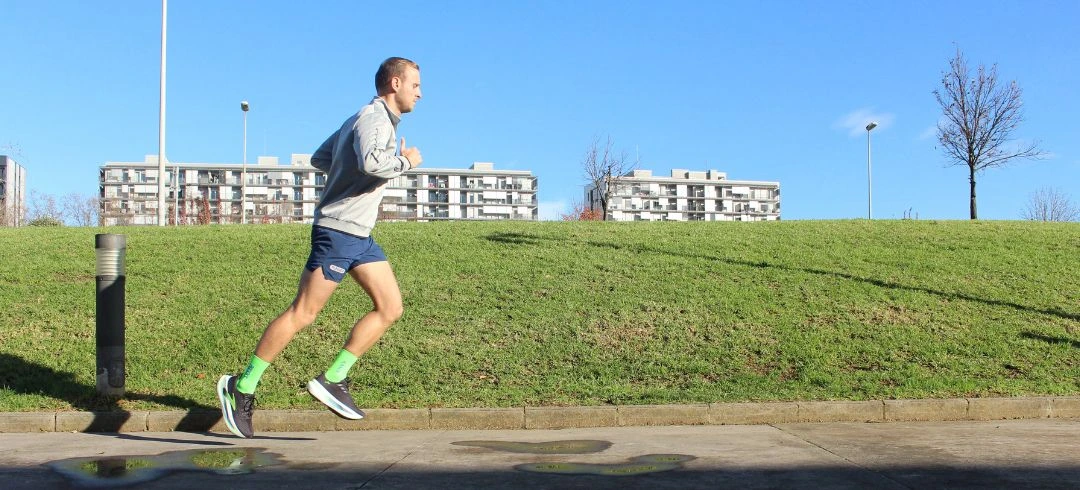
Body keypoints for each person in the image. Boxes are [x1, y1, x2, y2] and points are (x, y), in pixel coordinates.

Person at [217, 57, 423, 438]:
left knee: (391, 307)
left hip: (360, 236)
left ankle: (334, 379)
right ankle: (241, 386)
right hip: (338, 232)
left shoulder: (360, 120)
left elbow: (320, 158)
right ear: (395, 83)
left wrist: (346, 177)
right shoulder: (374, 119)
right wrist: (405, 162)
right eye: (415, 85)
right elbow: (373, 163)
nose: (419, 93)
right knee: (303, 313)